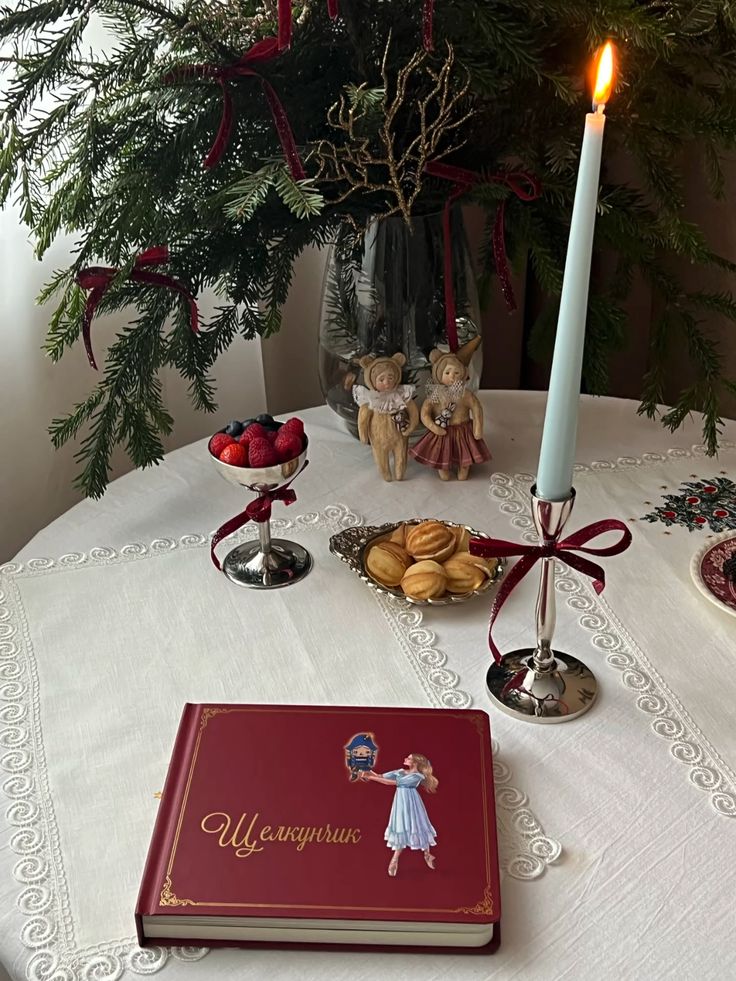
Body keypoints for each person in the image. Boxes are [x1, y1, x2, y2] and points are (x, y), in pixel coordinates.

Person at [361, 753, 438, 877]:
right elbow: (382, 776)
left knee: (417, 825)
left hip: (412, 804)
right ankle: (395, 859)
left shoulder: (417, 776)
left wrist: (371, 777)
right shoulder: (401, 771)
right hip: (400, 804)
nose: (405, 759)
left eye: (409, 758)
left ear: (416, 762)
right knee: (401, 827)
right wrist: (368, 771)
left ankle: (426, 854)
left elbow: (390, 783)